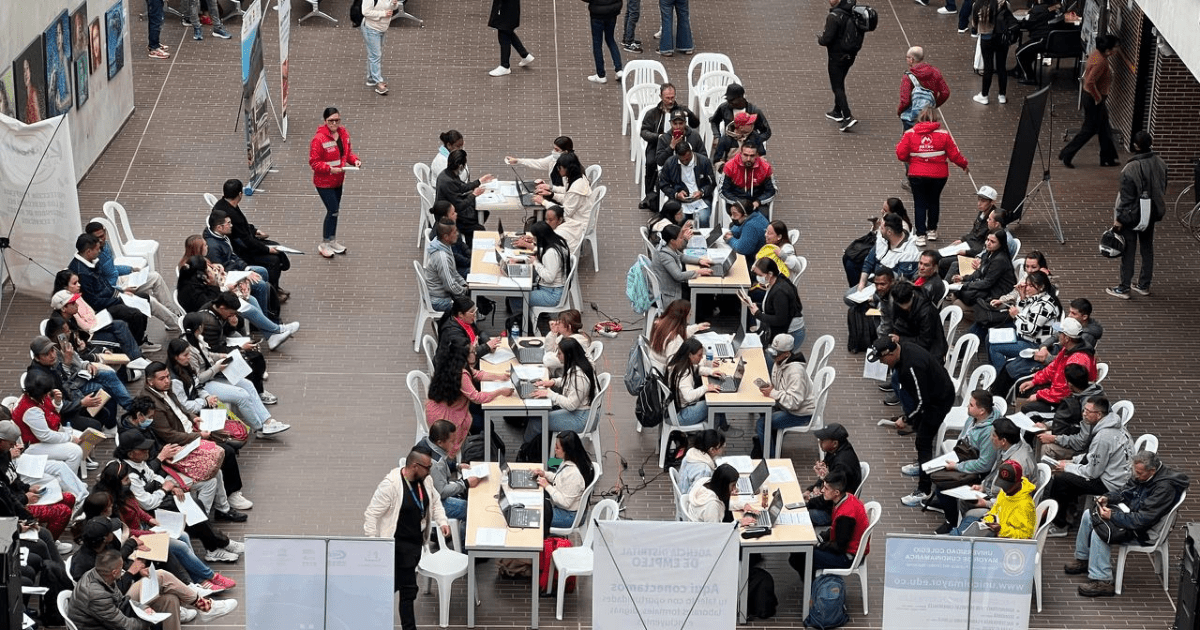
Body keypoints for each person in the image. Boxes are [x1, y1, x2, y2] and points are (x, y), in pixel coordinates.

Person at [1067, 450, 1190, 598]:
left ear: (1152, 470)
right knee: (1088, 515)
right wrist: (1108, 498)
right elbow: (1125, 491)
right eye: (1135, 472)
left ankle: (1102, 580)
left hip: (1145, 530)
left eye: (1139, 473)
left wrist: (1113, 515)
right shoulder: (1144, 476)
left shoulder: (1164, 488)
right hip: (1131, 515)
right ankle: (1083, 558)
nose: (1136, 476)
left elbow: (1142, 520)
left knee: (1100, 531)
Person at [141, 361, 254, 517]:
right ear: (150, 381)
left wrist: (193, 418)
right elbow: (168, 434)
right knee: (226, 452)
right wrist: (198, 435)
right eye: (162, 378)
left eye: (167, 376)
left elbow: (181, 409)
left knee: (229, 445)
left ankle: (224, 507)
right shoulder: (152, 404)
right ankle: (229, 498)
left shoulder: (167, 389)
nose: (167, 380)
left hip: (191, 429)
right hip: (181, 443)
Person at [114, 429, 245, 564]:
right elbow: (147, 503)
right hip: (148, 512)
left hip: (159, 498)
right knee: (192, 510)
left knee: (195, 505)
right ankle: (219, 545)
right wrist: (165, 490)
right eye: (142, 449)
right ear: (131, 453)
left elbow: (153, 476)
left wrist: (171, 486)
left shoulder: (138, 462)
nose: (147, 450)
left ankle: (215, 547)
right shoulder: (130, 475)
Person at [363, 445, 450, 630]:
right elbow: (372, 514)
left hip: (415, 544)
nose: (430, 471)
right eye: (427, 467)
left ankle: (367, 608)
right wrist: (373, 543)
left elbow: (434, 502)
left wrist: (442, 521)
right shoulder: (391, 485)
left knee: (392, 586)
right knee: (408, 591)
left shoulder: (425, 481)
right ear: (415, 466)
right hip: (396, 547)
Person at [871, 338, 955, 507]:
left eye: (882, 359)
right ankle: (922, 465)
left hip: (938, 401)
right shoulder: (904, 350)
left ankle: (924, 490)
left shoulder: (911, 367)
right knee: (921, 435)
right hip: (931, 396)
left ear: (892, 353)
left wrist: (906, 419)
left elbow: (922, 402)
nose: (881, 362)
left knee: (923, 441)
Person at [166, 338, 290, 438]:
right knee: (242, 395)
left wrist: (207, 396)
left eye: (189, 354)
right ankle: (260, 428)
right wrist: (205, 400)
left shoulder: (186, 366)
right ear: (176, 357)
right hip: (197, 409)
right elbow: (185, 406)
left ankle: (266, 421)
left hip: (203, 398)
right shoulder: (176, 379)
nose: (188, 357)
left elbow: (197, 386)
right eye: (185, 355)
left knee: (247, 384)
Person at [1047, 397, 1132, 535]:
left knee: (1061, 479)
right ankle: (1070, 511)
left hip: (1111, 483)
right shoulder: (1116, 426)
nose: (1084, 414)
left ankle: (1059, 525)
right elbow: (1093, 456)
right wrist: (1073, 461)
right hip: (1116, 474)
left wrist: (1067, 467)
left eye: (1088, 411)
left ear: (1098, 415)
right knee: (1070, 473)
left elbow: (1092, 473)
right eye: (1084, 410)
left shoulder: (1103, 437)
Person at [917, 391, 1001, 530]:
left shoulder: (989, 433)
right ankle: (944, 502)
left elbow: (985, 464)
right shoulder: (973, 418)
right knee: (935, 470)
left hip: (976, 470)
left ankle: (952, 521)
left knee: (942, 484)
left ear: (982, 411)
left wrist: (957, 467)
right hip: (963, 456)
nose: (968, 407)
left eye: (971, 405)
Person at [84, 221, 183, 338]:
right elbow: (102, 288)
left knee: (155, 277)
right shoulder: (91, 259)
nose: (102, 239)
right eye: (98, 237)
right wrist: (122, 290)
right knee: (150, 301)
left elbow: (111, 269)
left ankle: (173, 312)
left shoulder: (106, 246)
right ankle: (176, 324)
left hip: (119, 281)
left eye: (103, 235)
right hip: (113, 292)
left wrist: (130, 269)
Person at [1107, 131, 1168, 300]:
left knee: (1129, 251)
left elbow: (1126, 199)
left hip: (1132, 216)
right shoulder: (1161, 163)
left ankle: (1124, 287)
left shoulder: (1130, 169)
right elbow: (1163, 187)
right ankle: (1144, 285)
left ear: (1135, 146)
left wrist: (1118, 220)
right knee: (1147, 248)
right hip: (1151, 212)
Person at [895, 108, 969, 247]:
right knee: (934, 200)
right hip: (939, 175)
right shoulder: (944, 135)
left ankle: (921, 235)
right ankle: (932, 231)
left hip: (917, 173)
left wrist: (911, 161)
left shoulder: (910, 134)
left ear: (919, 119)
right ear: (936, 119)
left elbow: (900, 153)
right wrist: (964, 165)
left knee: (919, 203)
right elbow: (954, 155)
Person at [68, 233, 153, 351]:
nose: (99, 251)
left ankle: (139, 336)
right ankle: (135, 345)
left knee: (143, 298)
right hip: (99, 308)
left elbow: (105, 284)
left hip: (109, 297)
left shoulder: (93, 261)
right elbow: (93, 301)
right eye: (97, 249)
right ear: (88, 251)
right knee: (134, 314)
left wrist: (120, 291)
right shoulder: (82, 273)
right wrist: (119, 299)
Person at [426, 342, 511, 453]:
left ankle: (493, 448)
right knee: (485, 423)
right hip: (446, 416)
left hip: (445, 406)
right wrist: (500, 392)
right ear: (464, 356)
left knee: (481, 412)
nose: (475, 354)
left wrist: (500, 376)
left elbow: (477, 374)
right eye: (472, 352)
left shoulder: (453, 365)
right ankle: (485, 451)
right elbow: (477, 397)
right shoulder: (461, 374)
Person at [212, 180, 291, 297]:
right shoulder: (231, 214)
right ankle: (273, 292)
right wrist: (266, 249)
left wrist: (254, 231)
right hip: (242, 251)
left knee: (275, 246)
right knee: (274, 260)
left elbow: (242, 228)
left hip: (244, 243)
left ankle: (275, 287)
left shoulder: (224, 205)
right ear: (239, 194)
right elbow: (246, 241)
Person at [70, 549, 183, 630]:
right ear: (114, 572)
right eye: (121, 567)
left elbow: (122, 600)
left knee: (170, 599)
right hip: (97, 626)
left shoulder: (102, 574)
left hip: (108, 617)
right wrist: (149, 620)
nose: (124, 570)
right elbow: (126, 626)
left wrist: (144, 608)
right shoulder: (97, 595)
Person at [789, 470, 869, 575]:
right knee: (800, 551)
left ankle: (812, 585)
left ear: (836, 492)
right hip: (844, 549)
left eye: (826, 488)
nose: (822, 491)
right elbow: (836, 530)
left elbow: (839, 547)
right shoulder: (847, 498)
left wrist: (818, 545)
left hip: (846, 557)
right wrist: (820, 538)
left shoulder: (845, 516)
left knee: (798, 557)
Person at [1059, 35, 1120, 168]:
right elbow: (1090, 81)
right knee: (1089, 130)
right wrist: (1098, 98)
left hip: (1092, 98)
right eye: (1115, 47)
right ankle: (1067, 153)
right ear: (1108, 50)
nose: (1117, 50)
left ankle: (1108, 158)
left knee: (1104, 128)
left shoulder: (1097, 55)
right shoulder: (1101, 62)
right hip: (1094, 100)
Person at [309, 107, 362, 258]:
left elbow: (347, 154)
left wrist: (355, 160)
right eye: (331, 121)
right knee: (332, 210)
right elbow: (314, 162)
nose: (334, 123)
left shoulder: (343, 133)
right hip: (324, 182)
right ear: (325, 121)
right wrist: (330, 169)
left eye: (337, 120)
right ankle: (325, 242)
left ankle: (332, 240)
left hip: (338, 181)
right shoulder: (319, 139)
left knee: (335, 211)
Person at [1014, 317, 1097, 413]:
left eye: (1060, 333)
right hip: (1057, 391)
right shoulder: (1067, 350)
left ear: (1067, 338)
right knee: (1024, 389)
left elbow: (1063, 392)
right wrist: (1034, 381)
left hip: (1066, 403)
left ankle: (1024, 422)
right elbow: (1052, 369)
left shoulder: (1075, 362)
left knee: (1026, 407)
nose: (1058, 335)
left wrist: (1038, 395)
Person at [204, 210, 276, 317]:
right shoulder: (213, 247)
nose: (231, 225)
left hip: (235, 270)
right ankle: (262, 317)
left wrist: (245, 268)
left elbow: (233, 256)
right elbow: (223, 272)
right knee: (261, 285)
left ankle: (263, 303)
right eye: (228, 223)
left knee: (262, 271)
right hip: (228, 278)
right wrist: (244, 274)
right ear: (219, 227)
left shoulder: (222, 236)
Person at [753, 335, 815, 459]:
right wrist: (771, 387)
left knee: (762, 423)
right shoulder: (779, 362)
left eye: (777, 354)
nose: (773, 357)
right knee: (762, 408)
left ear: (786, 354)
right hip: (785, 406)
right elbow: (780, 386)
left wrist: (773, 393)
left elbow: (794, 402)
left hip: (799, 413)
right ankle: (770, 443)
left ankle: (770, 458)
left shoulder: (796, 373)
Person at [524, 338, 598, 441]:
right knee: (541, 412)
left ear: (568, 355)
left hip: (581, 418)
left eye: (559, 353)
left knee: (537, 420)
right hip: (582, 412)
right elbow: (570, 382)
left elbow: (571, 405)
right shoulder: (581, 365)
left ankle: (528, 453)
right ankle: (541, 448)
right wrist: (553, 382)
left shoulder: (579, 376)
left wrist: (550, 394)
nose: (557, 356)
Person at [986, 271, 1061, 372]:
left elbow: (1030, 330)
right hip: (1023, 336)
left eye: (1031, 286)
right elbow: (1023, 311)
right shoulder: (1035, 297)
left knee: (995, 348)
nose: (1027, 288)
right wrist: (1022, 297)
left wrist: (1016, 317)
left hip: (1034, 344)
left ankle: (1001, 378)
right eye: (1027, 285)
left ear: (1041, 287)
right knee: (989, 337)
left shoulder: (1044, 305)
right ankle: (993, 372)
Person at [639, 85, 698, 209]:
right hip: (658, 144)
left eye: (672, 97)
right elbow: (644, 132)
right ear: (661, 97)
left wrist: (690, 114)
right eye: (667, 98)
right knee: (651, 162)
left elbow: (695, 124)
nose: (671, 101)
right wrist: (659, 137)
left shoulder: (681, 110)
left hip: (682, 143)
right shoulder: (653, 113)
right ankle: (649, 195)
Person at [1035, 364, 1106, 460]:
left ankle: (1047, 473)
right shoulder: (1087, 392)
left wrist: (1054, 439)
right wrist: (1047, 425)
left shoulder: (1088, 408)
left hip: (1089, 449)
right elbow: (1068, 419)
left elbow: (1082, 442)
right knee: (1041, 435)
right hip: (1080, 436)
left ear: (1070, 384)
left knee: (1047, 448)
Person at [532, 431, 596, 528]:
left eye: (557, 447)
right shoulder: (570, 462)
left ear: (567, 450)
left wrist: (547, 486)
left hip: (569, 515)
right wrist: (544, 474)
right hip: (564, 508)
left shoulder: (574, 475)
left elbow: (565, 503)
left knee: (533, 516)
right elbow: (560, 480)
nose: (555, 449)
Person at [421, 420, 479, 525]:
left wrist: (456, 466)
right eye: (451, 441)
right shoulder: (435, 463)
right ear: (440, 442)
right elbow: (442, 492)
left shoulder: (426, 442)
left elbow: (443, 462)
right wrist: (465, 483)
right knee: (471, 509)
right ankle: (461, 537)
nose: (454, 444)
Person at [802, 424, 861, 526]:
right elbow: (827, 477)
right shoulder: (834, 451)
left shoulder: (841, 465)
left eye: (823, 440)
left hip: (832, 510)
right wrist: (812, 488)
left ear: (834, 443)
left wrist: (809, 502)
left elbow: (829, 498)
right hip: (829, 500)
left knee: (800, 515)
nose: (820, 442)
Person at [961, 460, 1037, 539]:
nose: (1004, 489)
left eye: (1008, 486)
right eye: (1003, 484)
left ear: (1018, 483)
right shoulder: (1004, 492)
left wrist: (1001, 530)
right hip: (995, 530)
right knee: (967, 522)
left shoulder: (1025, 505)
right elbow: (995, 510)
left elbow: (1026, 536)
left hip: (1006, 542)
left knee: (964, 536)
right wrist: (989, 519)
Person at [534, 153, 593, 253]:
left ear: (567, 169)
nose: (558, 170)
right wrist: (551, 193)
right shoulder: (577, 178)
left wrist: (543, 201)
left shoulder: (576, 189)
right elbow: (567, 195)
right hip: (575, 215)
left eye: (560, 168)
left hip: (577, 223)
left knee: (546, 226)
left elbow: (565, 212)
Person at [818, 0, 863, 131]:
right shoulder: (853, 11)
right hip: (850, 55)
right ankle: (836, 111)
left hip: (836, 57)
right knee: (840, 80)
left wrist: (820, 39)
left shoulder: (834, 17)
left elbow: (826, 39)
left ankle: (847, 116)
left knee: (837, 86)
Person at [743, 258, 805, 351]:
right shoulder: (775, 282)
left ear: (770, 274)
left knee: (771, 360)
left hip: (789, 334)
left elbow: (780, 320)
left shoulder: (780, 292)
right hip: (784, 329)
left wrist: (758, 314)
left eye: (760, 275)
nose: (758, 277)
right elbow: (772, 307)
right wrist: (756, 305)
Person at [437, 150, 495, 244]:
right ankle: (470, 241)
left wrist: (480, 181)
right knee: (479, 228)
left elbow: (462, 187)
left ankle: (470, 233)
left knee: (484, 212)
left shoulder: (449, 173)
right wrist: (474, 194)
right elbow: (459, 206)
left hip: (454, 207)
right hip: (451, 215)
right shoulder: (448, 181)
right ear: (461, 166)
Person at [951, 229, 1015, 306]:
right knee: (960, 290)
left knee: (966, 293)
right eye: (988, 240)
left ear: (1001, 244)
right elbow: (979, 271)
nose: (988, 243)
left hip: (998, 290)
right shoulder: (989, 252)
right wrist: (963, 278)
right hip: (990, 285)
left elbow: (987, 283)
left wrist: (964, 284)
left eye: (992, 242)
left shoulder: (1000, 260)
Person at [658, 142, 717, 227]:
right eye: (682, 160)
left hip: (701, 199)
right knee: (680, 218)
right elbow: (663, 184)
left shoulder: (704, 161)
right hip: (680, 199)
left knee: (702, 218)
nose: (685, 162)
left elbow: (712, 183)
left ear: (691, 153)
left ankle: (701, 239)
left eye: (687, 159)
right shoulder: (670, 163)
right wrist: (676, 194)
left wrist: (702, 192)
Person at [666, 338, 721, 426]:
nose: (702, 357)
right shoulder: (684, 373)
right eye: (699, 355)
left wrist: (711, 372)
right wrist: (706, 388)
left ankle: (721, 428)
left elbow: (696, 369)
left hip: (675, 410)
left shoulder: (679, 363)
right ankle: (718, 432)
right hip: (681, 415)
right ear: (690, 355)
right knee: (716, 405)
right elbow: (688, 396)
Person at [652, 224, 712, 305]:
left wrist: (699, 261)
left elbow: (681, 257)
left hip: (673, 286)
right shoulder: (665, 255)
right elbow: (678, 276)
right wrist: (698, 272)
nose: (683, 239)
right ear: (672, 241)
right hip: (671, 293)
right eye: (680, 238)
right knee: (701, 296)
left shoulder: (669, 247)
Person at [970, 0, 1016, 105]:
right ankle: (1002, 95)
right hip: (1001, 38)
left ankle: (984, 95)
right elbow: (1010, 19)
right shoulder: (1004, 3)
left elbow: (974, 24)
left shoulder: (978, 4)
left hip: (986, 37)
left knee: (988, 66)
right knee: (1001, 66)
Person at [647, 299, 708, 373]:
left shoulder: (659, 323)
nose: (691, 315)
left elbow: (680, 333)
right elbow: (677, 367)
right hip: (664, 373)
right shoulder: (675, 341)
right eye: (689, 314)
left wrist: (697, 327)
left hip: (655, 366)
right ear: (683, 317)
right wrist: (704, 365)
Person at [897, 47, 950, 130]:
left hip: (911, 117)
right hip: (928, 115)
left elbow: (905, 101)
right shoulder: (935, 71)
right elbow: (945, 92)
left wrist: (899, 112)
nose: (906, 60)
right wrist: (933, 105)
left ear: (912, 59)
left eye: (907, 57)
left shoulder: (908, 77)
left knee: (909, 140)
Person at [425, 220, 471, 312]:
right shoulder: (442, 257)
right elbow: (450, 285)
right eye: (454, 232)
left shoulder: (444, 245)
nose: (457, 234)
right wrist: (466, 291)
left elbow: (453, 272)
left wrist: (464, 284)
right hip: (440, 301)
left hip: (443, 294)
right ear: (446, 237)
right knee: (470, 310)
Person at [437, 296, 499, 361]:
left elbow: (479, 332)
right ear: (460, 314)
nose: (475, 314)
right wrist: (487, 347)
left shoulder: (466, 321)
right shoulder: (452, 331)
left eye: (475, 310)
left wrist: (488, 341)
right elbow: (466, 354)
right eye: (472, 312)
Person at [720, 145, 775, 215]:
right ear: (740, 153)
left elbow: (771, 191)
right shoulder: (729, 166)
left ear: (757, 155)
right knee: (737, 219)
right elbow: (723, 190)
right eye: (745, 155)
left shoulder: (766, 167)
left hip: (757, 201)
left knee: (762, 220)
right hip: (735, 201)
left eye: (752, 156)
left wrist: (758, 201)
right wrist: (738, 202)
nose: (748, 159)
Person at [487, 0, 534, 77]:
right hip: (510, 5)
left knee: (503, 31)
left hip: (505, 5)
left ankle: (505, 66)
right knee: (506, 30)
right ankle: (524, 55)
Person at [360, 0, 395, 94]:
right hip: (371, 29)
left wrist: (393, 4)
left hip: (382, 28)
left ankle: (371, 78)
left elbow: (392, 8)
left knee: (373, 54)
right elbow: (365, 12)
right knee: (376, 55)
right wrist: (383, 13)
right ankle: (379, 82)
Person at [505, 136, 575, 183]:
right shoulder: (554, 159)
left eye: (556, 150)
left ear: (565, 152)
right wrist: (518, 161)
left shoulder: (572, 169)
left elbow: (566, 192)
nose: (553, 151)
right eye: (554, 148)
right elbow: (539, 163)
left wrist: (548, 190)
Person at [585, 0, 624, 84]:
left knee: (597, 44)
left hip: (597, 13)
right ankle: (619, 69)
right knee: (610, 39)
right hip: (612, 11)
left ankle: (601, 75)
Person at [678, 429, 725, 494]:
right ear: (712, 450)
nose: (723, 450)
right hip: (690, 499)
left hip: (683, 491)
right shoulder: (704, 470)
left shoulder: (691, 454)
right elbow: (697, 494)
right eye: (721, 447)